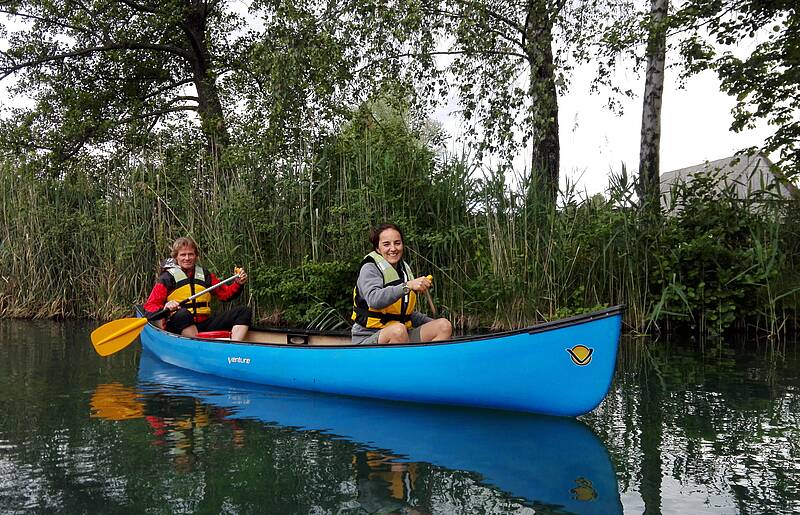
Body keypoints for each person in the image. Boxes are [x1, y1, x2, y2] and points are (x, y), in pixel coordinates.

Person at [351, 223, 452, 344]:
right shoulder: (369, 268)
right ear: (378, 248)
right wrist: (407, 286)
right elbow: (374, 300)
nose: (393, 248)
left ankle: (427, 362)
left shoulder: (404, 270)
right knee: (398, 331)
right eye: (386, 244)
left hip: (402, 333)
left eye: (397, 243)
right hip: (369, 337)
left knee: (444, 325)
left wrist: (432, 322)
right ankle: (404, 362)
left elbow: (404, 314)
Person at [143, 236, 251, 340]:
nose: (187, 258)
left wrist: (238, 283)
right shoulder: (166, 278)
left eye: (191, 254)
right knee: (183, 314)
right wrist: (166, 307)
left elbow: (226, 295)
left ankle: (233, 348)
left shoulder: (206, 275)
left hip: (204, 324)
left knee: (244, 311)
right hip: (178, 325)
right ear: (176, 257)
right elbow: (150, 306)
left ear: (196, 256)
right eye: (183, 255)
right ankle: (197, 346)